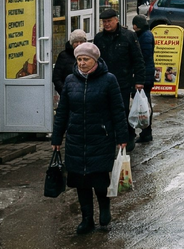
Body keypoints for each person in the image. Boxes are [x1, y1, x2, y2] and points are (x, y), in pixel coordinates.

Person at [52, 42, 129, 234]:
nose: (82, 63)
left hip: (100, 137)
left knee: (99, 178)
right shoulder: (70, 81)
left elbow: (118, 110)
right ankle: (87, 219)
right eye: (79, 59)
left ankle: (104, 208)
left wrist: (122, 137)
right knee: (80, 181)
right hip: (76, 138)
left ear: (95, 60)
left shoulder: (108, 80)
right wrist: (56, 139)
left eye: (86, 59)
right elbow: (62, 112)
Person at [93, 9, 147, 152]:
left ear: (116, 20)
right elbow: (96, 61)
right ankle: (109, 138)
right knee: (105, 111)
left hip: (123, 81)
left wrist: (139, 80)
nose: (107, 24)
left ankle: (128, 137)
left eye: (109, 21)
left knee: (122, 110)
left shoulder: (128, 36)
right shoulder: (99, 38)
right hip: (104, 81)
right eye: (104, 22)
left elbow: (138, 59)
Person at [132, 15, 156, 142]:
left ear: (137, 25)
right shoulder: (146, 34)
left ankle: (146, 132)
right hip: (147, 73)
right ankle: (146, 131)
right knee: (144, 104)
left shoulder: (144, 36)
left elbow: (142, 56)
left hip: (145, 75)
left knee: (144, 105)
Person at [53, 29, 89, 95]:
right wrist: (65, 92)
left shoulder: (90, 55)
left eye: (81, 41)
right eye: (76, 42)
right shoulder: (63, 56)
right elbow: (56, 78)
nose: (79, 44)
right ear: (71, 43)